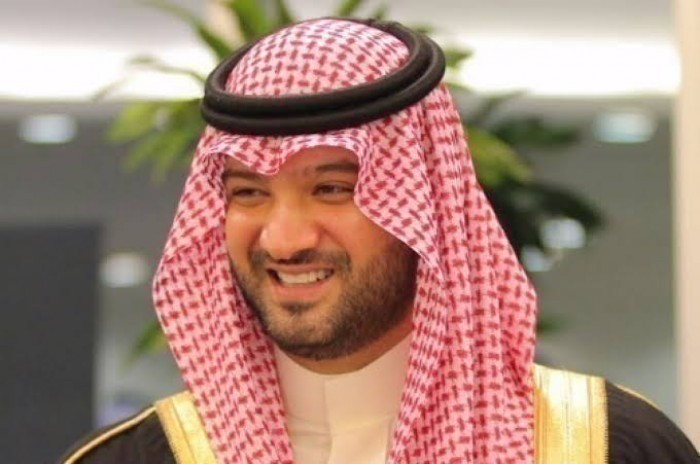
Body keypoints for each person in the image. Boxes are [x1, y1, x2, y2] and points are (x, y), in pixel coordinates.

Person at [60, 17, 699, 464]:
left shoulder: (603, 448)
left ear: (422, 206)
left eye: (333, 189)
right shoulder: (133, 459)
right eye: (249, 193)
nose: (284, 240)